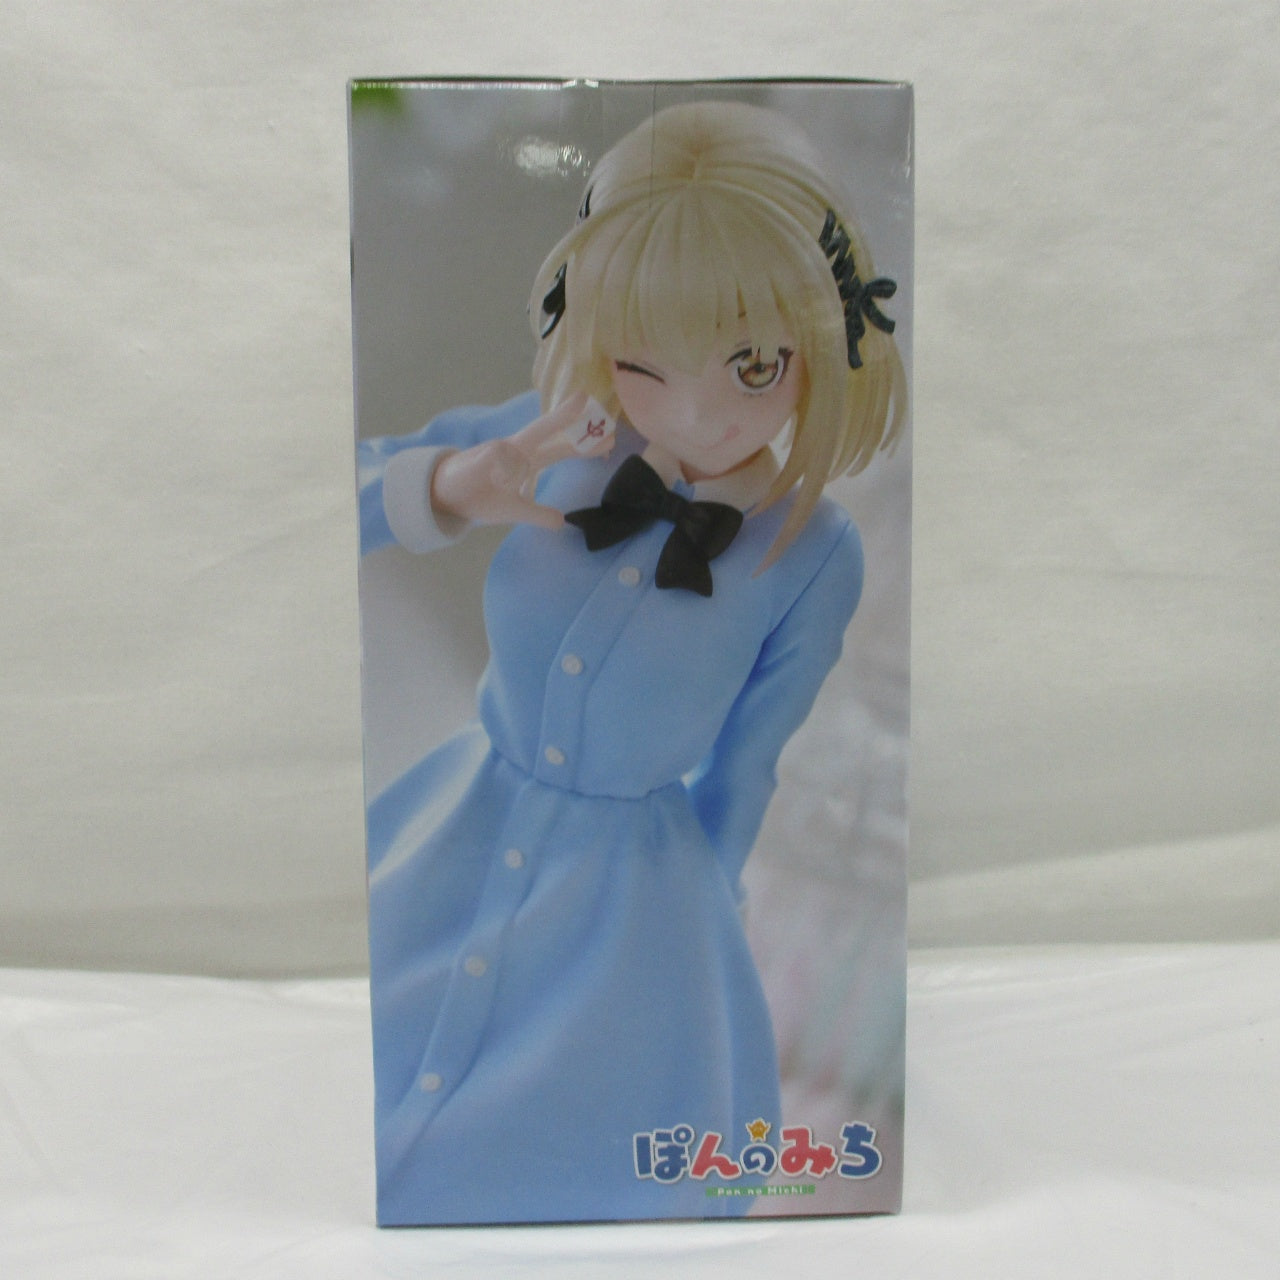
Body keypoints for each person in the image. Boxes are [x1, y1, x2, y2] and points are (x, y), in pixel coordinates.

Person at [357, 99, 905, 1224]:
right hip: (452, 832)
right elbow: (340, 490)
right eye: (646, 362)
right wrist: (453, 485)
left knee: (601, 1166)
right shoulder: (558, 433)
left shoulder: (813, 553)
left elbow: (748, 763)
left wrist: (689, 936)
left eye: (753, 363)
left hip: (633, 909)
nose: (696, 412)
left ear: (826, 337)